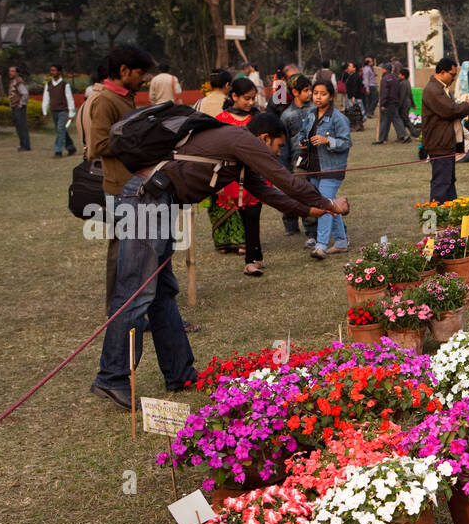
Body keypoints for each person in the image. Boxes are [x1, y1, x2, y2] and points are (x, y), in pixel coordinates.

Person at [90, 112, 349, 410]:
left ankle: (179, 374)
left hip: (157, 200)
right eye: (276, 147)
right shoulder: (241, 139)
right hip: (145, 199)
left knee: (162, 292)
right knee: (136, 292)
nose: (277, 153)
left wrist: (311, 211)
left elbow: (267, 192)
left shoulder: (236, 151)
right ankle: (112, 376)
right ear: (264, 138)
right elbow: (284, 179)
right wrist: (328, 203)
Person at [80, 45, 154, 311]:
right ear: (123, 70)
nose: (144, 78)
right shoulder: (104, 100)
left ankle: (132, 306)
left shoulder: (124, 97)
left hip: (134, 185)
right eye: (140, 72)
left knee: (138, 250)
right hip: (120, 187)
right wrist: (139, 142)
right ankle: (118, 309)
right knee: (122, 252)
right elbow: (98, 145)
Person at [209, 77, 266, 273]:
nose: (251, 103)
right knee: (245, 216)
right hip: (233, 177)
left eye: (253, 99)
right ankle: (253, 258)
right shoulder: (221, 120)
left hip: (256, 173)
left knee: (253, 215)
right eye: (246, 99)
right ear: (234, 96)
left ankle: (253, 258)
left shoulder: (257, 118)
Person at [300, 79, 352, 259]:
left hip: (332, 169)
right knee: (330, 205)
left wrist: (327, 140)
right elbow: (302, 132)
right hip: (313, 168)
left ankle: (321, 245)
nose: (318, 97)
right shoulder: (310, 114)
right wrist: (301, 141)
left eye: (323, 94)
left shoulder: (338, 118)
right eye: (315, 93)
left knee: (324, 205)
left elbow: (346, 142)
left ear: (331, 96)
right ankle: (341, 242)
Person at [421, 56, 469, 202]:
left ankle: (449, 218)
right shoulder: (433, 89)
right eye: (452, 75)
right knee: (441, 184)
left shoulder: (442, 89)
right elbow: (451, 110)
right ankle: (434, 221)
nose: (454, 78)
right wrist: (468, 105)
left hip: (446, 143)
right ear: (442, 72)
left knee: (449, 182)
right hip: (439, 144)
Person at [279, 74, 316, 238]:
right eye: (306, 90)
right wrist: (284, 168)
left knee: (311, 195)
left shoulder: (316, 109)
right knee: (293, 194)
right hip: (296, 163)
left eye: (310, 90)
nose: (310, 94)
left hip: (315, 161)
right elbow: (284, 145)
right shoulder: (287, 116)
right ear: (295, 92)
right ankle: (291, 225)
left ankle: (312, 230)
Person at [42, 65, 77, 158]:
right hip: (54, 111)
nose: (52, 72)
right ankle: (71, 148)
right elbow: (46, 98)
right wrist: (44, 112)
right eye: (51, 70)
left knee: (60, 129)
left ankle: (58, 151)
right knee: (61, 130)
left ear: (59, 72)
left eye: (54, 70)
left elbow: (70, 99)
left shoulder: (65, 85)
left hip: (63, 111)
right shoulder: (48, 84)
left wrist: (71, 113)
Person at [374, 62, 410, 144]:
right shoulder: (395, 78)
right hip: (395, 102)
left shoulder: (385, 79)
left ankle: (382, 139)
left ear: (385, 69)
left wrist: (383, 103)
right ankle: (404, 135)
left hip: (387, 103)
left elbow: (384, 92)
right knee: (396, 119)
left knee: (384, 121)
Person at [7, 66, 31, 151]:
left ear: (17, 73)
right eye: (10, 71)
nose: (10, 73)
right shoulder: (13, 81)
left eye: (12, 71)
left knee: (22, 126)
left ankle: (25, 145)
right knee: (18, 126)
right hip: (15, 106)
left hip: (19, 107)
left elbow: (25, 93)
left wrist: (20, 104)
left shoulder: (18, 81)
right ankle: (22, 144)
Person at [397, 68, 420, 138]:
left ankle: (414, 132)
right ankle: (403, 133)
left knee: (405, 119)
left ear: (403, 76)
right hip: (407, 103)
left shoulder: (402, 83)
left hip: (404, 104)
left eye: (400, 74)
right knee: (404, 119)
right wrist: (413, 104)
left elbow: (402, 96)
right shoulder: (407, 82)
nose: (398, 75)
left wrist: (399, 106)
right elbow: (410, 94)